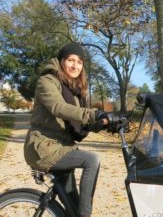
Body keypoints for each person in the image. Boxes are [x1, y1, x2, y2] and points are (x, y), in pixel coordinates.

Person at [24, 42, 109, 217]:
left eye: (79, 62)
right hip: (43, 147)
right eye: (71, 60)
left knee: (74, 208)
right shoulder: (47, 81)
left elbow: (79, 120)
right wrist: (94, 114)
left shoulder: (76, 90)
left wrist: (106, 122)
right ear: (61, 61)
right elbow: (58, 107)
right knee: (91, 160)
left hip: (62, 147)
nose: (75, 66)